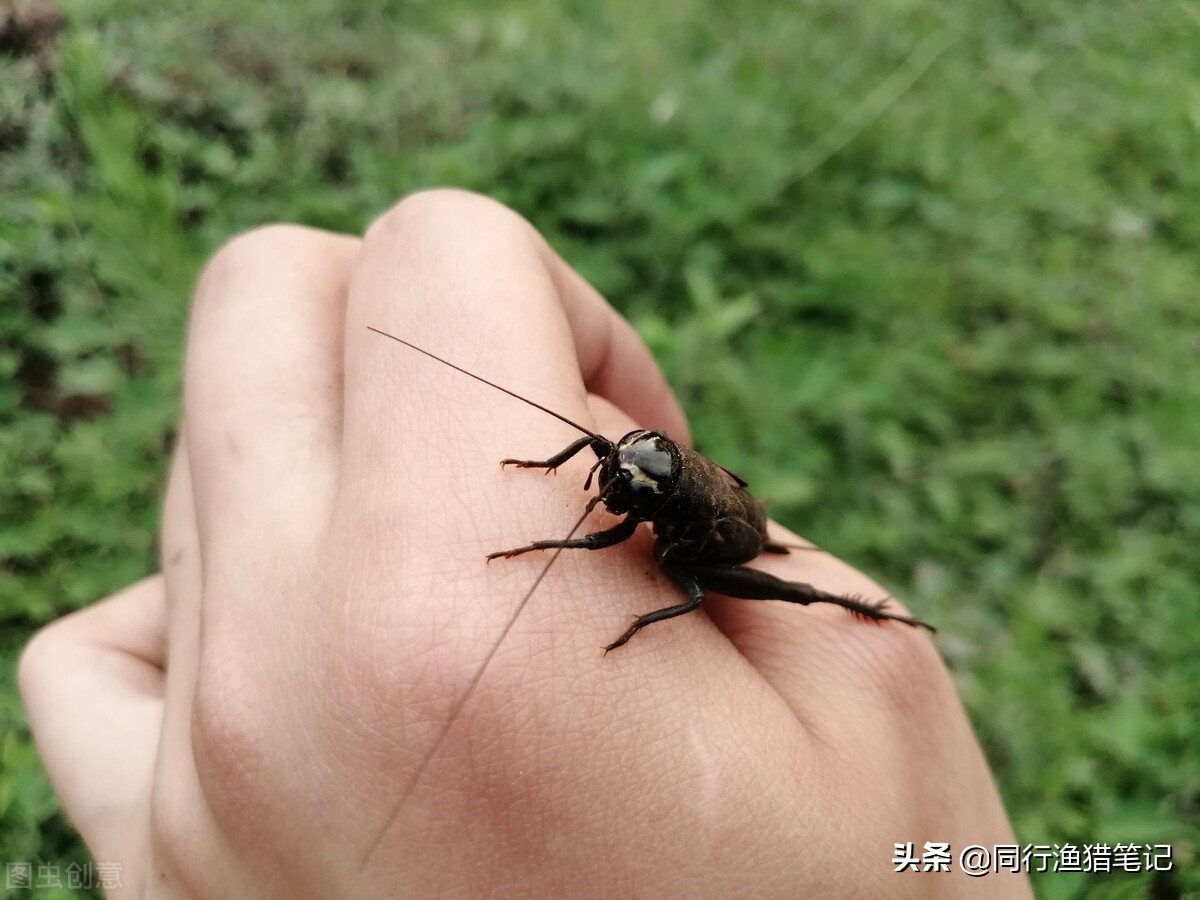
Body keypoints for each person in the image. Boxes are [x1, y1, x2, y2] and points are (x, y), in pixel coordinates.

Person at [19, 189, 1032, 898]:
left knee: (796, 597)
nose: (617, 481)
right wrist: (557, 471)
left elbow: (679, 577)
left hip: (727, 544)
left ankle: (878, 616)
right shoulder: (639, 465)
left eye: (632, 479)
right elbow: (620, 458)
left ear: (659, 489)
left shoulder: (675, 530)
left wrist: (642, 611)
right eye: (620, 466)